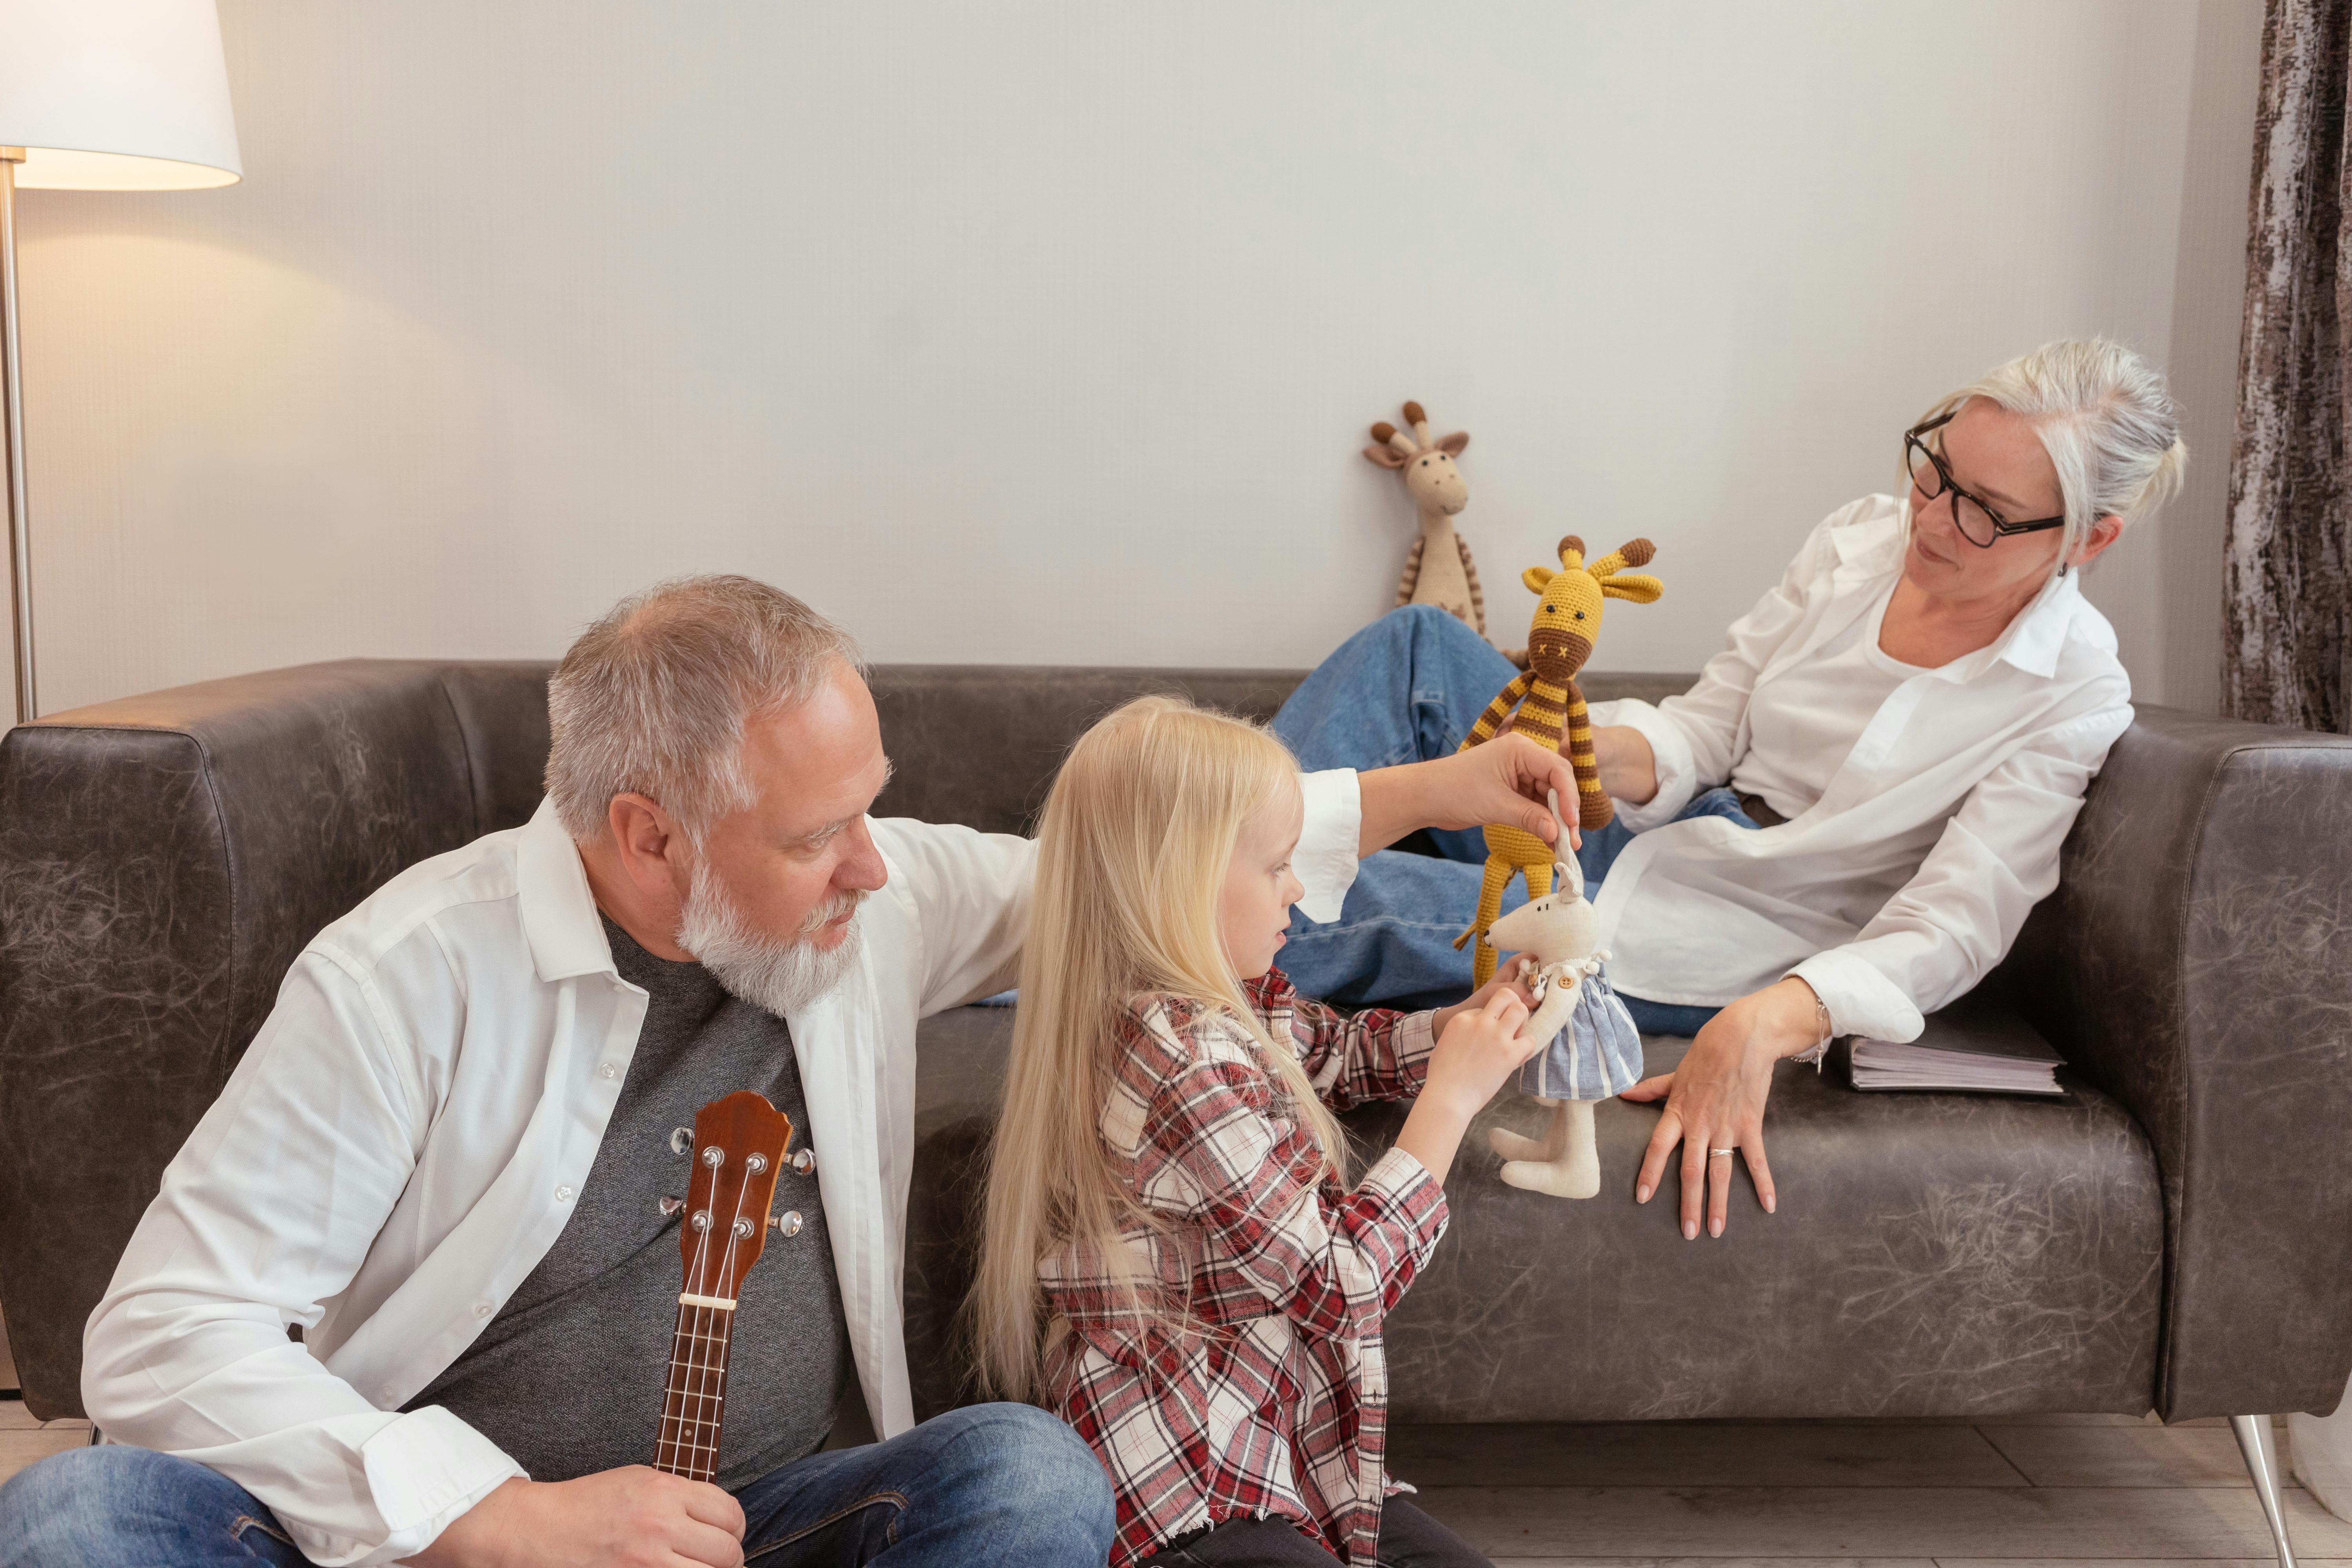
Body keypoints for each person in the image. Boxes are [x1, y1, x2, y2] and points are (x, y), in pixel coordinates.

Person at [0, 577, 1586, 1568]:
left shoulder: (865, 905)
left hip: (767, 1527)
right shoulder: (407, 975)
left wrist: (1433, 785)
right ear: (646, 834)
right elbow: (155, 1338)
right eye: (817, 836)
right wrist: (490, 1515)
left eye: (869, 811)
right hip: (432, 1544)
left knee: (1030, 1479)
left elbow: (1129, 871)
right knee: (72, 1521)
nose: (875, 871)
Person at [1269, 338, 2186, 1244]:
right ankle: (1188, 845)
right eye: (1937, 472)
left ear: (2088, 537)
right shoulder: (1859, 536)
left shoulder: (2073, 691)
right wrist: (1582, 752)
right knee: (1419, 647)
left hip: (1739, 926)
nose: (1935, 518)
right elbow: (1710, 730)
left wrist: (1768, 1019)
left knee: (1334, 907)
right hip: (1660, 828)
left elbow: (1953, 928)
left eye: (1986, 511)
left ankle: (1170, 942)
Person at [969, 697, 1541, 1568]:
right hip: (1190, 1492)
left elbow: (1339, 1051)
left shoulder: (1223, 1009)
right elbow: (1341, 1283)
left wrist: (1466, 1025)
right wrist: (1448, 1107)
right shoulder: (1175, 1058)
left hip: (1287, 1461)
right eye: (1279, 865)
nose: (1301, 888)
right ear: (1185, 879)